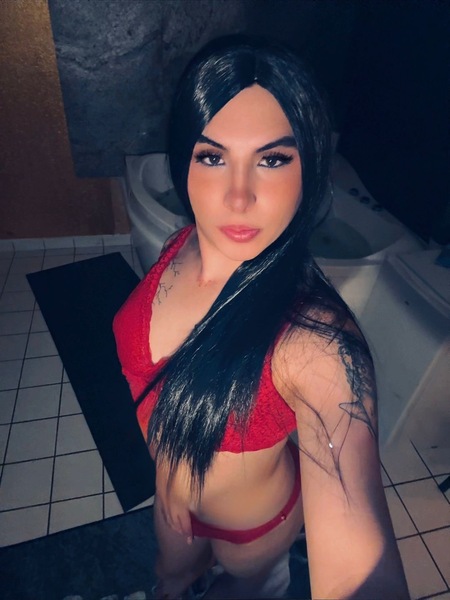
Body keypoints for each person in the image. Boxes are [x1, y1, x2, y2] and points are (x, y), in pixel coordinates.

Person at [113, 35, 409, 599]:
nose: (238, 197)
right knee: (168, 580)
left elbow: (359, 565)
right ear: (184, 159)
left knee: (246, 589)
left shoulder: (314, 342)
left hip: (253, 531)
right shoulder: (181, 245)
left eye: (272, 160)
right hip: (169, 497)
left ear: (309, 167)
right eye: (212, 157)